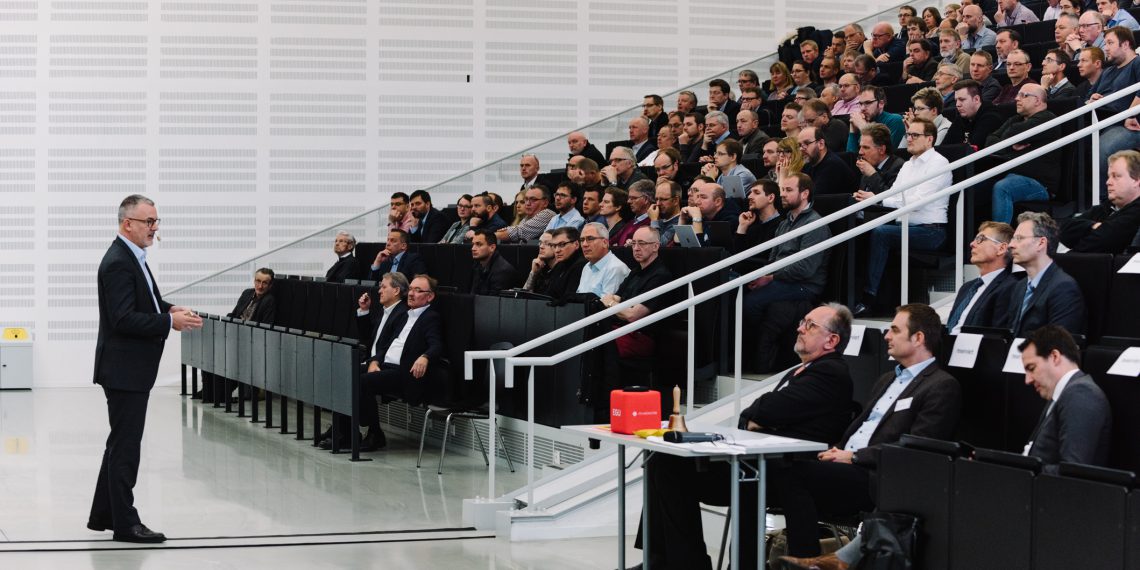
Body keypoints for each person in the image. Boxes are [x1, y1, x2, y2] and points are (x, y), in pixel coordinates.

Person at [634, 304, 857, 570]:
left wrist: (759, 416)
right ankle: (663, 560)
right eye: (802, 321)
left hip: (786, 472)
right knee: (662, 461)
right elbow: (750, 415)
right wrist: (759, 416)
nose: (799, 328)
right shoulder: (798, 372)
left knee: (673, 468)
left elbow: (767, 409)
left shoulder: (831, 372)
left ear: (832, 340)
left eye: (810, 325)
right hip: (757, 464)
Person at [769, 303, 962, 558]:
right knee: (768, 470)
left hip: (878, 477)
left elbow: (917, 447)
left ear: (918, 338)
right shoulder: (886, 379)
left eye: (894, 330)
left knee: (792, 474)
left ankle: (808, 560)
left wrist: (855, 457)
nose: (886, 336)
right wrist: (839, 451)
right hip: (844, 465)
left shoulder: (941, 386)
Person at [89, 194, 202, 544]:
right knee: (126, 447)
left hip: (129, 368)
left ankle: (105, 514)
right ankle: (126, 524)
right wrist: (169, 321)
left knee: (119, 445)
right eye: (148, 222)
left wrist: (169, 308)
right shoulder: (119, 262)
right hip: (124, 369)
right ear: (128, 224)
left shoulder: (131, 257)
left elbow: (145, 301)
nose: (154, 228)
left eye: (156, 221)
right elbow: (123, 318)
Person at [323, 274, 443, 451]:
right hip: (386, 366)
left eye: (418, 291)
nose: (411, 294)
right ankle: (346, 431)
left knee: (362, 382)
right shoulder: (407, 315)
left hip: (403, 372)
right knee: (345, 374)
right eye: (411, 289)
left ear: (430, 296)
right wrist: (375, 361)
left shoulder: (430, 317)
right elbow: (385, 345)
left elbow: (437, 344)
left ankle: (373, 434)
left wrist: (425, 357)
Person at [853, 119, 952, 316]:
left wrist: (878, 200)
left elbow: (918, 201)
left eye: (915, 135)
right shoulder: (908, 165)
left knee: (881, 233)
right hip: (907, 226)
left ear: (930, 139)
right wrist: (880, 199)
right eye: (908, 135)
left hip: (931, 230)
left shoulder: (939, 163)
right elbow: (894, 195)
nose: (909, 139)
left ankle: (869, 297)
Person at [1019, 325, 1112, 472]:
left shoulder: (1082, 394)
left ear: (1054, 357)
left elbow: (1072, 472)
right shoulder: (1063, 393)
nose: (1027, 380)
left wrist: (1019, 471)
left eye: (1031, 368)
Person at [741, 173, 831, 324]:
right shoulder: (785, 223)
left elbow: (805, 268)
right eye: (782, 190)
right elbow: (773, 259)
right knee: (738, 291)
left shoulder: (815, 224)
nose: (782, 194)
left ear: (804, 194)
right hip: (783, 280)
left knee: (750, 302)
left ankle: (759, 345)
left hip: (805, 285)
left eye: (788, 190)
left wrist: (770, 278)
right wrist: (763, 276)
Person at [1000, 212, 1087, 336]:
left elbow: (1057, 344)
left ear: (1041, 243)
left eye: (1019, 238)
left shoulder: (1063, 288)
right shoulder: (1019, 287)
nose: (1011, 245)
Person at [987, 84, 1062, 225]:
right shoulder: (1016, 120)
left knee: (1003, 188)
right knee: (976, 187)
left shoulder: (1048, 119)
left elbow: (1011, 134)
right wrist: (1010, 144)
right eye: (1018, 95)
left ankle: (999, 238)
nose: (1016, 98)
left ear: (1038, 101)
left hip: (1039, 184)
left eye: (1024, 95)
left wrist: (1007, 139)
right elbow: (990, 141)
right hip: (1011, 175)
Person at [946, 222, 1019, 334]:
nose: (972, 244)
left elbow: (995, 337)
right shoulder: (967, 287)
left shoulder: (1010, 288)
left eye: (981, 239)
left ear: (1001, 248)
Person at [1061, 149, 1140, 253]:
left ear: (1136, 181)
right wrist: (1092, 226)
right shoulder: (1106, 207)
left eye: (1116, 176)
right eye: (1108, 176)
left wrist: (1082, 234)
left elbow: (1103, 241)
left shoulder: (1136, 213)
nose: (1108, 182)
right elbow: (1063, 230)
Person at [945, 79, 1006, 148]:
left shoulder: (991, 118)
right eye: (956, 100)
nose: (957, 104)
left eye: (962, 100)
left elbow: (974, 149)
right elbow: (945, 145)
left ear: (976, 99)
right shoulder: (961, 117)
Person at [575, 222, 630, 298]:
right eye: (582, 240)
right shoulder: (587, 267)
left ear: (605, 243)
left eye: (590, 239)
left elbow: (606, 306)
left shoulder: (615, 268)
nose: (584, 244)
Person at [799, 125, 858, 195]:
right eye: (799, 145)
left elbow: (811, 199)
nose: (801, 148)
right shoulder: (808, 165)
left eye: (806, 143)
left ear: (821, 144)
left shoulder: (833, 165)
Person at [846, 86, 905, 152]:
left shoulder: (895, 120)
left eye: (868, 103)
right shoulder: (860, 122)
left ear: (881, 104)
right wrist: (852, 131)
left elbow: (884, 153)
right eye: (860, 104)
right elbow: (851, 158)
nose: (862, 108)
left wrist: (864, 128)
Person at [734, 179, 783, 254]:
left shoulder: (781, 226)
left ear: (770, 198)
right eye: (750, 193)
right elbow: (737, 255)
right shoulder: (751, 224)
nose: (749, 196)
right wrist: (742, 227)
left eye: (756, 193)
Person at [854, 124, 905, 195]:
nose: (860, 152)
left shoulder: (899, 167)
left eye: (866, 147)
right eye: (860, 147)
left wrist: (872, 174)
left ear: (881, 150)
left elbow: (891, 198)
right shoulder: (869, 164)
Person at [468, 229, 516, 295]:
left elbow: (493, 302)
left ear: (492, 248)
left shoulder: (503, 271)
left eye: (478, 244)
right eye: (473, 244)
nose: (473, 248)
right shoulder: (477, 265)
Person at [544, 226, 588, 300]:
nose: (557, 250)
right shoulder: (559, 264)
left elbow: (568, 302)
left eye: (562, 245)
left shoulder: (581, 266)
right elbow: (547, 294)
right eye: (554, 246)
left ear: (576, 244)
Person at [648, 179, 682, 246]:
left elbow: (658, 246)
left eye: (663, 199)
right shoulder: (660, 221)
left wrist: (654, 220)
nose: (658, 203)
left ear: (675, 200)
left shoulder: (680, 223)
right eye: (656, 199)